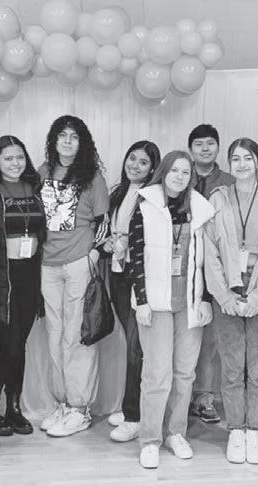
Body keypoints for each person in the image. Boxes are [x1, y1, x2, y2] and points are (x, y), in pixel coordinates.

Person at [204, 138, 258, 465]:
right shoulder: (217, 199)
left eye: (247, 158)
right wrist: (224, 295)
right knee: (231, 368)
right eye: (236, 158)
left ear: (257, 162)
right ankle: (235, 429)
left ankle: (254, 429)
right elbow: (209, 251)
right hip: (227, 291)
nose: (241, 164)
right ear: (229, 163)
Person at [128, 150, 215, 468]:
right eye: (174, 170)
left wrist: (205, 299)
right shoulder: (145, 205)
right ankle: (150, 439)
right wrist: (141, 301)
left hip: (190, 304)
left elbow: (210, 260)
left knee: (185, 374)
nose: (180, 176)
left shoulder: (202, 210)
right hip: (156, 305)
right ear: (163, 172)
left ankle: (176, 433)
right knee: (157, 375)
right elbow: (135, 256)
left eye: (186, 172)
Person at [37, 115, 110, 438]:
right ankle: (63, 402)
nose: (67, 141)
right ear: (54, 140)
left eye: (74, 136)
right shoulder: (42, 172)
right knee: (54, 334)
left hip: (79, 261)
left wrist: (93, 254)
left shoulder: (92, 176)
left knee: (77, 335)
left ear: (83, 143)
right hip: (47, 265)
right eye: (62, 135)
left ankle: (80, 408)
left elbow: (104, 223)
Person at [0, 137, 46, 437]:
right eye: (8, 158)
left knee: (19, 345)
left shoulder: (35, 188)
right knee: (9, 345)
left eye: (19, 157)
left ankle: (14, 408)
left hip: (29, 276)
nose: (15, 163)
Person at [102, 141, 161, 443]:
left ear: (152, 169)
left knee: (138, 347)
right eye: (132, 158)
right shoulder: (118, 193)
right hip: (117, 274)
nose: (135, 165)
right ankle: (132, 409)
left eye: (143, 162)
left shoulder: (153, 197)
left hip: (139, 276)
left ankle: (134, 416)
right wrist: (107, 243)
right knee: (132, 344)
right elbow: (107, 231)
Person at [188, 123, 234, 424]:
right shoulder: (180, 174)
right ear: (190, 149)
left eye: (210, 143)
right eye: (199, 144)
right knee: (182, 335)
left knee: (209, 338)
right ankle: (178, 396)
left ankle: (203, 398)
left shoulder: (229, 181)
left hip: (216, 263)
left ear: (218, 147)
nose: (205, 149)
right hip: (183, 262)